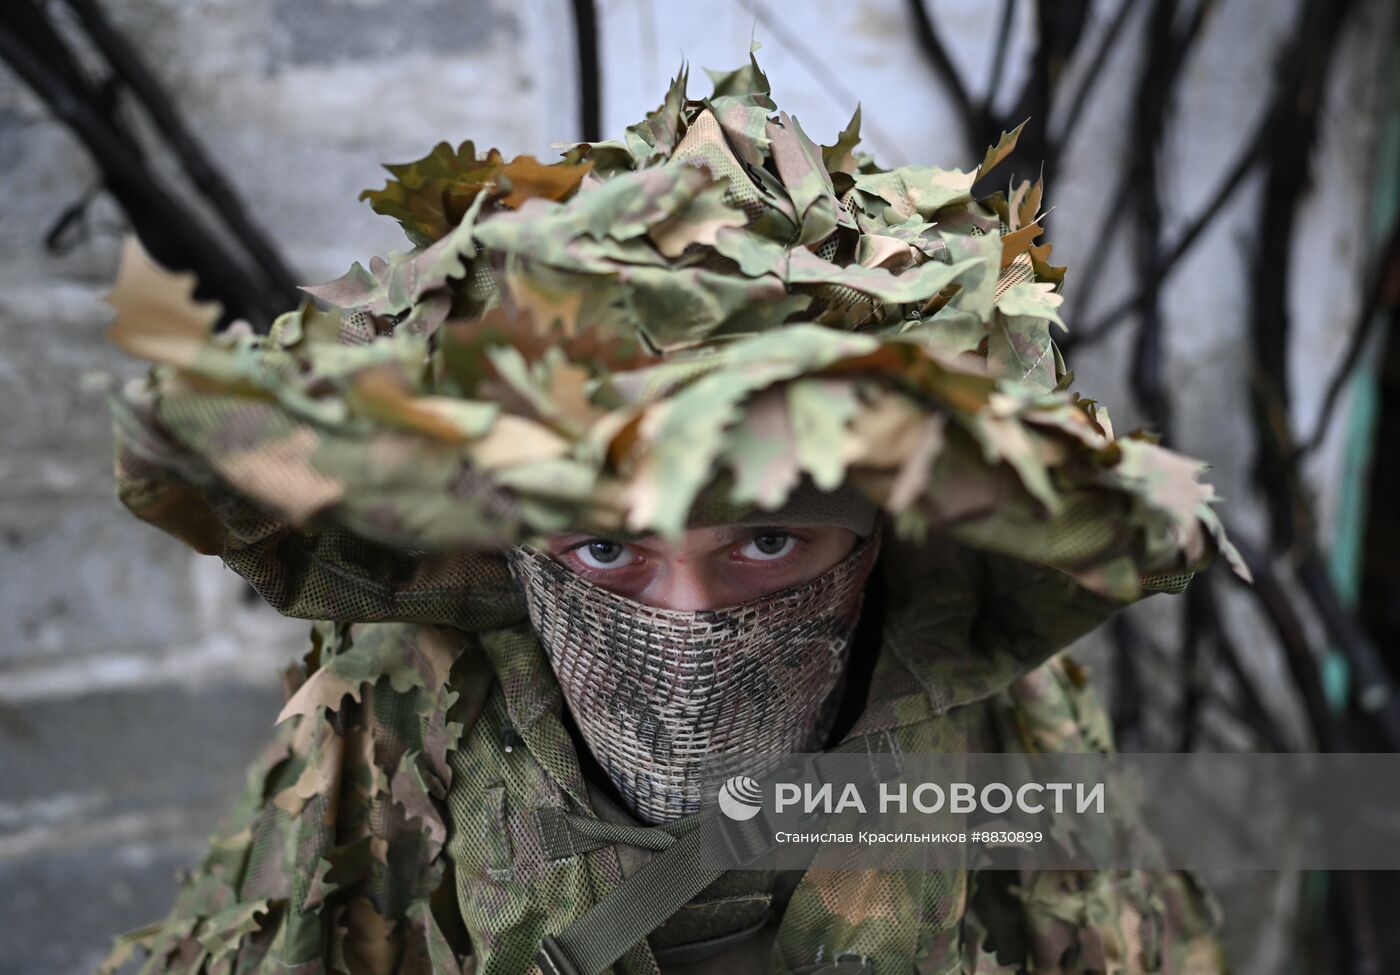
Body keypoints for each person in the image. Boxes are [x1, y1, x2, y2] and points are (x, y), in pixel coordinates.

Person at [99, 53, 1239, 975]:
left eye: (765, 542)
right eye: (608, 551)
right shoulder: (394, 708)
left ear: (881, 536)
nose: (690, 623)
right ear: (509, 547)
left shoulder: (998, 729)